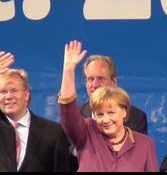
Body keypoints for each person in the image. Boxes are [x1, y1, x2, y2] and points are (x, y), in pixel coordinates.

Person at [58, 40, 159, 171]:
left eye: (111, 113)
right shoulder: (86, 133)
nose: (105, 120)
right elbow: (68, 110)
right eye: (99, 114)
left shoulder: (145, 144)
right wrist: (68, 69)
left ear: (124, 112)